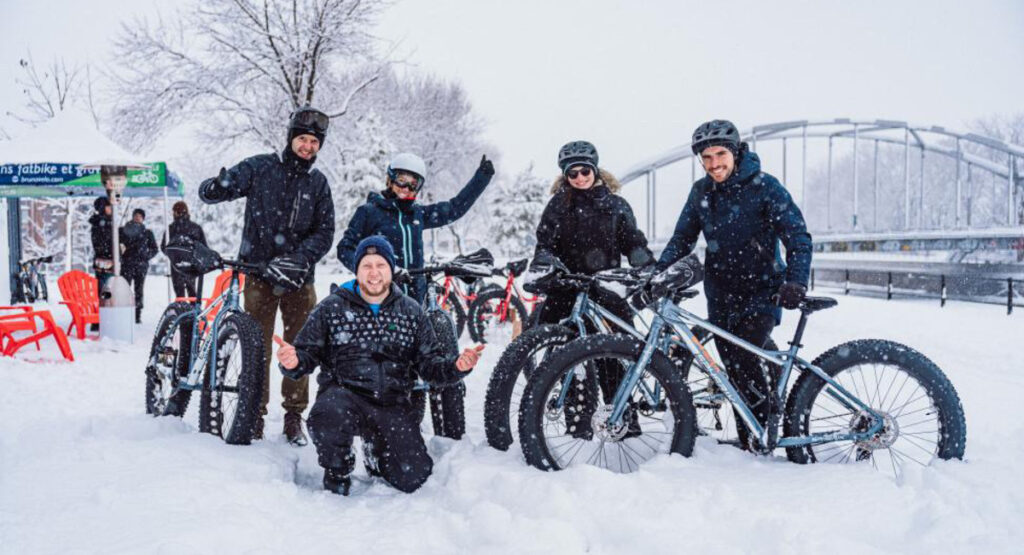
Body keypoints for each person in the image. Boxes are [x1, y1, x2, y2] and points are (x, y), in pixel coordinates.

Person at [274, 236, 484, 495]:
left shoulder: (411, 312)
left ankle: (376, 454)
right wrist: (293, 362)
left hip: (392, 404)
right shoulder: (332, 307)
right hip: (343, 397)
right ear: (357, 270)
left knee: (413, 478)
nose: (374, 273)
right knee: (326, 419)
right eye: (367, 265)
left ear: (391, 270)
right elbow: (305, 355)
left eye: (381, 265)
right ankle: (338, 467)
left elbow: (431, 367)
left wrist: (458, 367)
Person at [656, 119, 813, 450]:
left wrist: (796, 281)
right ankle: (755, 432)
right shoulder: (701, 192)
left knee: (743, 357)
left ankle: (760, 436)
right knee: (735, 365)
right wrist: (659, 274)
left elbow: (798, 236)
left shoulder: (765, 187)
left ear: (736, 152)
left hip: (763, 290)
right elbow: (682, 239)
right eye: (707, 158)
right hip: (721, 293)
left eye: (720, 155)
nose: (714, 164)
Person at [198, 106, 336, 446]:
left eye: (313, 142)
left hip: (299, 281)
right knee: (256, 345)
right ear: (291, 138)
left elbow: (326, 231)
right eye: (302, 139)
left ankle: (293, 416)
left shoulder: (318, 184)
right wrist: (215, 187)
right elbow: (226, 187)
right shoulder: (261, 167)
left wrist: (299, 258)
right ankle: (253, 413)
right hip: (258, 274)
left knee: (300, 347)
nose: (307, 146)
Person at [336, 152, 494, 439]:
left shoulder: (417, 215)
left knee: (437, 346)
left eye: (413, 184)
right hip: (383, 301)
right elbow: (345, 249)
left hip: (417, 299)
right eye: (401, 181)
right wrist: (378, 271)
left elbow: (454, 209)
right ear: (390, 178)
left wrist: (482, 178)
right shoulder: (370, 212)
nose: (406, 189)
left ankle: (450, 431)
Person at [530, 140, 654, 437]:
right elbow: (544, 244)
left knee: (613, 356)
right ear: (565, 176)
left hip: (606, 289)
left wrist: (643, 262)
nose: (580, 178)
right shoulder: (558, 205)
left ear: (595, 170)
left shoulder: (616, 205)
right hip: (567, 289)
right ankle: (578, 423)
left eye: (585, 171)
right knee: (567, 359)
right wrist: (545, 263)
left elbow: (632, 242)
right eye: (573, 174)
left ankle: (623, 417)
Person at [161, 201, 208, 299]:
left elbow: (163, 247)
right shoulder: (196, 228)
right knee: (193, 294)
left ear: (176, 212)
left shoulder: (170, 228)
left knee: (179, 296)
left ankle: (181, 312)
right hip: (192, 265)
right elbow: (204, 247)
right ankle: (194, 313)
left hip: (176, 265)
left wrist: (174, 255)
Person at [120, 208, 159, 323]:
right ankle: (124, 312)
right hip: (127, 265)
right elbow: (118, 244)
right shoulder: (124, 230)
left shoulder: (147, 233)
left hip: (141, 266)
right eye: (136, 215)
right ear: (132, 216)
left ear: (143, 219)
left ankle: (137, 314)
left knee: (139, 290)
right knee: (125, 289)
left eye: (140, 216)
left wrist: (146, 256)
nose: (137, 217)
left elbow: (155, 249)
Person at [88, 196, 114, 331]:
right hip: (105, 263)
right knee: (105, 292)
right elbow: (100, 244)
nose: (111, 209)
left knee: (107, 292)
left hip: (109, 263)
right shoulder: (100, 224)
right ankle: (100, 320)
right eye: (109, 206)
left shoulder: (107, 223)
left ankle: (104, 319)